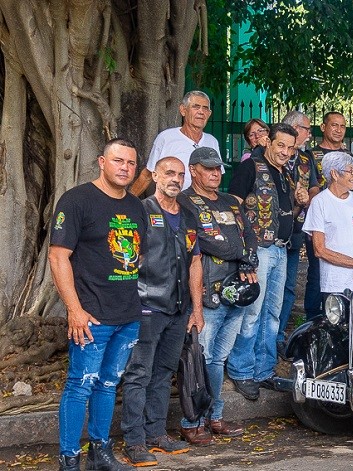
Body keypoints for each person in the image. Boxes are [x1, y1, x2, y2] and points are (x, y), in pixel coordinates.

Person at [49, 138, 147, 471]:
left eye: (132, 163)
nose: (125, 168)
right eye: (118, 161)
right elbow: (58, 256)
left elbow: (138, 255)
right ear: (101, 162)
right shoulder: (77, 201)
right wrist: (74, 310)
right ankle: (68, 458)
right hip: (91, 315)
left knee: (108, 383)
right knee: (81, 383)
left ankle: (100, 453)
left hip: (128, 314)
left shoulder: (136, 206)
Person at [120, 157, 203, 466]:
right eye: (169, 172)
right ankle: (134, 439)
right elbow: (128, 261)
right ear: (154, 175)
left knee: (164, 373)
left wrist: (196, 309)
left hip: (178, 308)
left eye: (181, 174)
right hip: (147, 307)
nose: (175, 178)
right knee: (138, 373)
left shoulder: (189, 215)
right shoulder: (141, 212)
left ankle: (156, 433)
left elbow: (195, 263)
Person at [177, 147, 258, 445]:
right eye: (209, 168)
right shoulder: (185, 202)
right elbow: (202, 241)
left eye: (218, 169)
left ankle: (215, 417)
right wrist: (242, 254)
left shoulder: (228, 201)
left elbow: (248, 232)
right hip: (207, 293)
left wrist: (250, 260)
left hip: (237, 291)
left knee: (218, 358)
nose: (215, 173)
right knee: (201, 356)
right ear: (194, 170)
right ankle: (191, 420)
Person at [227, 124, 299, 400]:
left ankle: (264, 370)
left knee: (272, 315)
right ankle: (242, 370)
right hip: (259, 251)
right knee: (252, 314)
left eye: (291, 148)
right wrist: (245, 252)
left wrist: (300, 203)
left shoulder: (285, 173)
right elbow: (234, 207)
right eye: (281, 145)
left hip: (280, 249)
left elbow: (282, 211)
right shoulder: (250, 167)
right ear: (268, 142)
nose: (285, 152)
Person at [301, 152, 353, 299]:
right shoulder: (320, 202)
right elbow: (320, 250)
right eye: (350, 171)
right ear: (335, 174)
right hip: (335, 284)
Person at [277, 112, 320, 350]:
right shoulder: (272, 156)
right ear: (294, 128)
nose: (309, 134)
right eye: (306, 129)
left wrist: (307, 197)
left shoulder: (305, 158)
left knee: (289, 286)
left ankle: (280, 334)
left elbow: (314, 186)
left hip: (297, 229)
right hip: (273, 232)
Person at [131, 91, 220, 195]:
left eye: (205, 108)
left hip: (202, 206)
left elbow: (215, 181)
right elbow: (147, 175)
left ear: (209, 114)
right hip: (172, 203)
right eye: (196, 107)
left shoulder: (212, 141)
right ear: (183, 110)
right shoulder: (166, 138)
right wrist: (127, 203)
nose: (201, 112)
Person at [305, 111, 350, 320]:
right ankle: (313, 320)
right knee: (317, 273)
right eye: (334, 125)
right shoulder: (311, 155)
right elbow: (311, 188)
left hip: (345, 222)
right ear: (323, 127)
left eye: (342, 126)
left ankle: (340, 315)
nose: (338, 130)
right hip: (320, 220)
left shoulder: (349, 156)